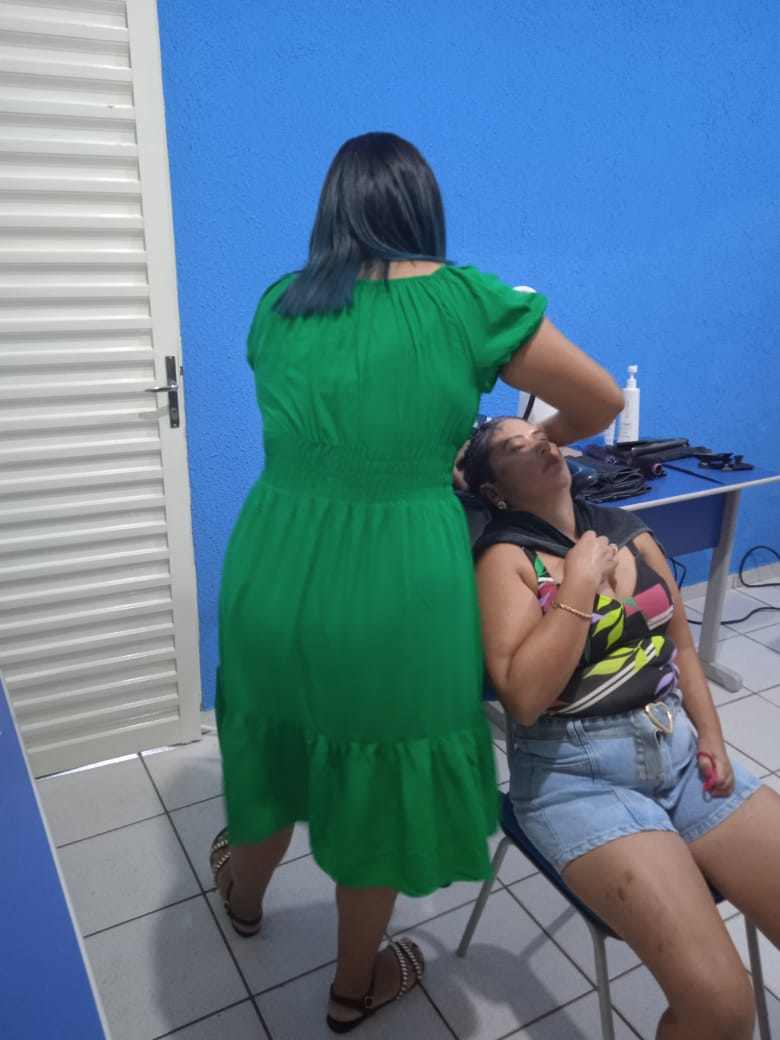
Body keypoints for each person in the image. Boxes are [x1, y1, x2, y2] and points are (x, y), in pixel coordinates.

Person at [211, 131, 624, 1034]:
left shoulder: (279, 302)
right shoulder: (471, 302)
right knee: (383, 771)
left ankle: (242, 902)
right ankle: (351, 989)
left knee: (271, 742)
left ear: (334, 209)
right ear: (422, 208)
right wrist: (533, 439)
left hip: (273, 558)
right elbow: (602, 400)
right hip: (397, 574)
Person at [463, 416, 780, 1040]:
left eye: (541, 434)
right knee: (720, 1007)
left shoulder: (626, 531)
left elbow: (681, 646)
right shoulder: (505, 559)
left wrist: (711, 735)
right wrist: (579, 582)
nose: (540, 443)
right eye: (515, 446)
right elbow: (524, 700)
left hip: (678, 752)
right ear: (494, 489)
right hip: (575, 779)